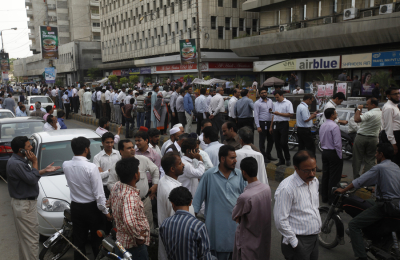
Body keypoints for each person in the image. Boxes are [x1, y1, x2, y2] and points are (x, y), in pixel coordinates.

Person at [335, 144, 400, 260]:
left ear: (382, 154)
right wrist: (376, 188)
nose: (375, 155)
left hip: (385, 206)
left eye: (377, 153)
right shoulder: (395, 167)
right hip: (396, 204)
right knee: (368, 201)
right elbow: (392, 184)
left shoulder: (379, 167)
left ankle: (361, 257)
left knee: (353, 225)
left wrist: (343, 190)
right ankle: (370, 233)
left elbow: (359, 181)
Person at [7, 136, 60, 260]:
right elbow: (31, 180)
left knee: (25, 240)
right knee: (31, 241)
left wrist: (42, 171)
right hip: (25, 205)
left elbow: (28, 176)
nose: (31, 147)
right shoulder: (17, 163)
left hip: (23, 204)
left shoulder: (18, 162)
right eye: (29, 146)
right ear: (21, 150)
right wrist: (35, 162)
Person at [193, 145, 246, 260]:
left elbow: (247, 203)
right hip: (215, 235)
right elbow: (196, 204)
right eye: (232, 158)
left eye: (235, 157)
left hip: (236, 234)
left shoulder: (240, 175)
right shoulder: (208, 175)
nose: (235, 161)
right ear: (222, 159)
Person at [63, 137, 112, 260]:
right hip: (92, 209)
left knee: (79, 240)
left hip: (76, 207)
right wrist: (106, 212)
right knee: (97, 240)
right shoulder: (91, 167)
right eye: (89, 148)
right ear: (86, 149)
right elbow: (99, 194)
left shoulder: (66, 165)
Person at [274, 150, 321, 260]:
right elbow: (280, 220)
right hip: (298, 240)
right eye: (307, 171)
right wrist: (295, 243)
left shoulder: (314, 181)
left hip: (314, 238)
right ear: (296, 168)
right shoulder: (287, 188)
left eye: (314, 169)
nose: (312, 174)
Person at [107, 139, 159, 232]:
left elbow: (155, 170)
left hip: (144, 202)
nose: (132, 149)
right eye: (128, 148)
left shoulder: (143, 160)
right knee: (130, 229)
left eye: (132, 147)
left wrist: (155, 185)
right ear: (121, 151)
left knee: (148, 227)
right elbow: (110, 184)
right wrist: (122, 192)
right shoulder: (116, 166)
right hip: (126, 204)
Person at [108, 157, 150, 259]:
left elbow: (108, 202)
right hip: (134, 248)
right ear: (136, 175)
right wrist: (139, 237)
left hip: (121, 243)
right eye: (138, 171)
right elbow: (129, 221)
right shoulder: (131, 196)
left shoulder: (116, 186)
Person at [158, 152, 195, 260]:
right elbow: (175, 221)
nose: (183, 165)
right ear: (172, 169)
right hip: (176, 242)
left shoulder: (165, 180)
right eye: (180, 163)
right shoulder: (171, 189)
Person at [232, 157, 271, 260]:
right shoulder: (266, 188)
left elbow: (235, 216)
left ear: (243, 172)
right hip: (262, 238)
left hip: (248, 241)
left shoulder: (245, 197)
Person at [159, 186, 213, 260]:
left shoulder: (164, 224)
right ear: (191, 203)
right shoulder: (199, 226)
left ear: (172, 204)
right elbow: (205, 256)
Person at [352, 98, 382, 179]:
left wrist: (358, 109)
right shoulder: (381, 113)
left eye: (367, 104)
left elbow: (356, 119)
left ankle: (356, 179)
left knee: (357, 159)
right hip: (374, 138)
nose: (366, 106)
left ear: (373, 105)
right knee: (370, 160)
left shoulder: (370, 113)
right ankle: (367, 179)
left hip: (361, 137)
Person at [320, 108, 343, 204]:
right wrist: (340, 156)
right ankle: (332, 199)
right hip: (333, 152)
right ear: (332, 115)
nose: (336, 114)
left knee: (326, 175)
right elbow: (337, 143)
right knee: (334, 177)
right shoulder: (334, 126)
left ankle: (324, 197)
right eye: (335, 113)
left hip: (324, 152)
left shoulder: (323, 125)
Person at [93, 132, 121, 198]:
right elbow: (98, 176)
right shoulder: (97, 157)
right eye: (107, 142)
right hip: (104, 187)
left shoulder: (118, 154)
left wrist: (104, 172)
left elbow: (121, 171)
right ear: (102, 143)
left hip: (117, 186)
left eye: (111, 142)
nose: (110, 144)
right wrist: (111, 170)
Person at [270, 90, 294, 166]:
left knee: (283, 142)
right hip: (276, 124)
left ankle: (287, 158)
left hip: (284, 124)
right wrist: (271, 126)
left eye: (277, 97)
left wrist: (279, 114)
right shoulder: (275, 104)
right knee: (277, 143)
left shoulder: (288, 103)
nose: (276, 99)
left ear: (281, 95)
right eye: (275, 97)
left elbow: (290, 114)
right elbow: (273, 115)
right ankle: (281, 159)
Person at [254, 88, 276, 163]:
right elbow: (256, 115)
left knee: (271, 140)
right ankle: (263, 156)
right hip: (262, 123)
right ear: (259, 94)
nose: (264, 94)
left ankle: (268, 154)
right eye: (262, 93)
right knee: (262, 140)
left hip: (270, 123)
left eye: (265, 92)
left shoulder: (270, 101)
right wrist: (258, 126)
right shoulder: (257, 103)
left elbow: (273, 112)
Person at [381, 87, 400, 165]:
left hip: (396, 134)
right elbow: (388, 127)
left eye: (398, 93)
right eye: (395, 94)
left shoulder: (395, 106)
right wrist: (393, 143)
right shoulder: (388, 108)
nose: (398, 95)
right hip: (393, 135)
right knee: (394, 161)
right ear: (388, 96)